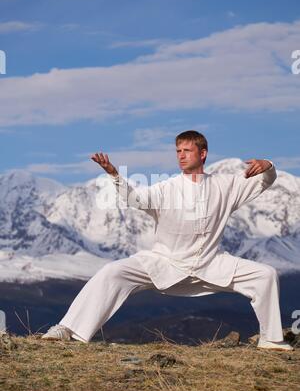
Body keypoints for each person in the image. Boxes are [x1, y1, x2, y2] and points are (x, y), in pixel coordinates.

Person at [42, 130, 293, 351]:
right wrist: (115, 175)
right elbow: (136, 200)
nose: (181, 155)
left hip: (210, 263)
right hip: (164, 262)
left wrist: (268, 165)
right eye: (178, 151)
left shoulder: (226, 185)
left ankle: (271, 340)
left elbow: (265, 181)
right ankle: (67, 329)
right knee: (111, 272)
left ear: (203, 154)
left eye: (187, 150)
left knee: (265, 274)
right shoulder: (166, 188)